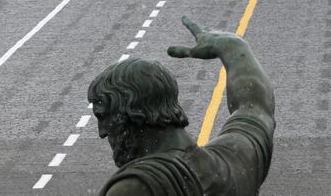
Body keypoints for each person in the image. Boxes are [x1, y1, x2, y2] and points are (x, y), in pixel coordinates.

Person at [89, 16, 275, 195]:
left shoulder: (137, 187)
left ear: (134, 115)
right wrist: (233, 46)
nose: (103, 132)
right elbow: (255, 106)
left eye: (104, 117)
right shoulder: (234, 161)